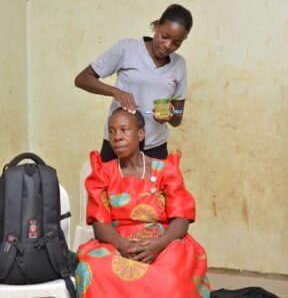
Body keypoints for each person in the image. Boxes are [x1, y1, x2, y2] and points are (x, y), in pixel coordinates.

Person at [75, 108, 210, 297]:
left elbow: (181, 218)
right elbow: (100, 224)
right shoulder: (103, 174)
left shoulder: (164, 170)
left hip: (164, 240)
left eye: (124, 130)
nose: (117, 137)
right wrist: (123, 246)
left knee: (171, 275)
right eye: (111, 131)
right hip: (117, 241)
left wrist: (158, 244)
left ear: (140, 134)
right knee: (95, 269)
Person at [74, 4, 193, 162]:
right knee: (110, 186)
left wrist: (171, 115)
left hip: (155, 148)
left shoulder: (179, 65)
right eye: (165, 36)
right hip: (118, 144)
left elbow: (178, 116)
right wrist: (116, 92)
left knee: (154, 188)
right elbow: (82, 78)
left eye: (176, 43)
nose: (168, 45)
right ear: (157, 26)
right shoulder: (127, 49)